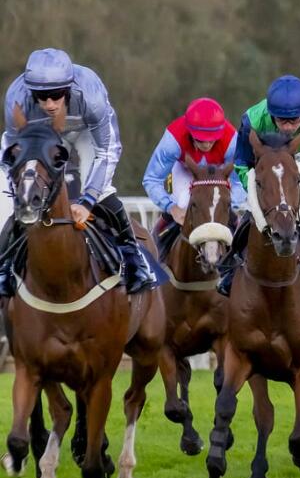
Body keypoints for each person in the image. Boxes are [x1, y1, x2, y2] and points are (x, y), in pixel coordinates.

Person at [0, 48, 155, 295]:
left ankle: (134, 260)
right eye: (41, 96)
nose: (49, 104)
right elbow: (10, 151)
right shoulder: (16, 99)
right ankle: (4, 265)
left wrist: (88, 200)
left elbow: (108, 151)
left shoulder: (90, 96)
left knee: (102, 189)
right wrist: (19, 191)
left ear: (69, 88)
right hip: (39, 136)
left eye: (56, 95)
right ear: (31, 92)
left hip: (85, 132)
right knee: (8, 197)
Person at [216, 74, 300, 299]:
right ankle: (228, 271)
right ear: (271, 115)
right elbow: (241, 163)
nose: (288, 127)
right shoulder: (253, 120)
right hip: (266, 174)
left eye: (295, 121)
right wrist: (257, 185)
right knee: (252, 216)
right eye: (281, 120)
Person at [143, 97, 246, 255]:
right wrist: (171, 208)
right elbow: (151, 179)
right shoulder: (173, 139)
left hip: (218, 173)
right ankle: (154, 247)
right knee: (183, 203)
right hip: (185, 170)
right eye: (200, 140)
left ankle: (241, 251)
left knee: (225, 211)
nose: (206, 145)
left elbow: (239, 181)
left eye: (212, 141)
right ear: (189, 132)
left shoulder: (232, 141)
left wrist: (231, 205)